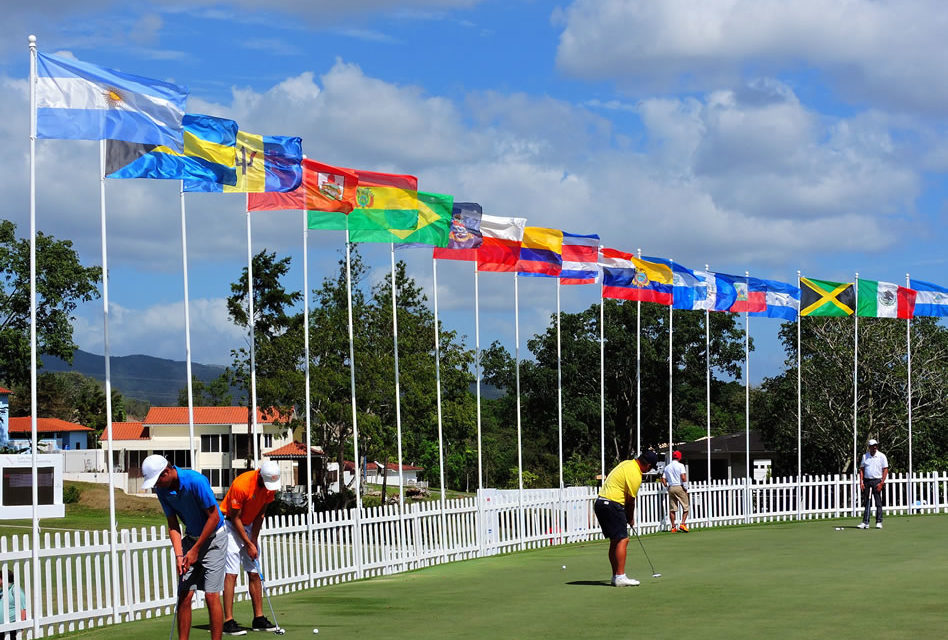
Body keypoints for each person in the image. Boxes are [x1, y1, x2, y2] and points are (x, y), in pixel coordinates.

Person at [141, 454, 227, 640]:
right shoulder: (162, 490)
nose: (156, 486)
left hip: (214, 540)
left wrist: (195, 549)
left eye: (157, 480)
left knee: (211, 596)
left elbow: (214, 517)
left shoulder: (196, 481)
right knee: (185, 595)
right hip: (191, 539)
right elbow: (173, 524)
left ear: (166, 472)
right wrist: (179, 555)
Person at [219, 461, 282, 635]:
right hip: (230, 525)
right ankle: (228, 621)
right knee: (231, 572)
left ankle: (259, 619)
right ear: (260, 475)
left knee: (254, 572)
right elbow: (235, 517)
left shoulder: (270, 486)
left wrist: (253, 541)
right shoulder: (242, 484)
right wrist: (247, 543)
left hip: (250, 524)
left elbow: (261, 514)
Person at [593, 450, 660, 587]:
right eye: (650, 468)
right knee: (623, 539)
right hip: (612, 504)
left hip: (601, 503)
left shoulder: (627, 463)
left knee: (615, 541)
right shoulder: (635, 474)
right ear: (647, 465)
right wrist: (630, 518)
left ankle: (615, 576)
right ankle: (620, 576)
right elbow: (630, 501)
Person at [858, 439, 888, 529]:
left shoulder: (881, 456)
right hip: (867, 481)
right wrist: (861, 482)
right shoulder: (865, 456)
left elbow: (885, 469)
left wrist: (882, 482)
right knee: (867, 501)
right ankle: (865, 522)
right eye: (872, 446)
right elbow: (861, 469)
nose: (874, 447)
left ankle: (879, 521)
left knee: (878, 502)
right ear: (869, 447)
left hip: (877, 481)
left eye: (875, 446)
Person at [661, 451, 690, 533]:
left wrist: (667, 486)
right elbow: (683, 477)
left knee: (672, 508)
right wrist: (685, 488)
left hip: (671, 487)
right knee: (686, 506)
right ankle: (683, 524)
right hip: (679, 486)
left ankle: (673, 527)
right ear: (679, 458)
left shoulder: (667, 467)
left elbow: (663, 479)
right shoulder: (681, 466)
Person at [0, 570, 27, 640]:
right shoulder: (2, 590)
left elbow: (24, 609)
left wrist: (21, 625)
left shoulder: (15, 589)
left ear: (3, 579)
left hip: (12, 626)